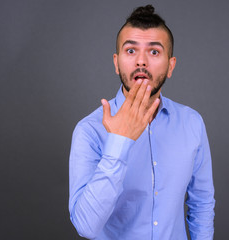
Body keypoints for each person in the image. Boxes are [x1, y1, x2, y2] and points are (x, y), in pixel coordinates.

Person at [69, 5, 215, 240]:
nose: (141, 61)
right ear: (116, 62)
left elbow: (202, 204)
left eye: (154, 52)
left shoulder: (192, 123)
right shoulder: (89, 131)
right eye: (130, 51)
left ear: (171, 65)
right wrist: (119, 142)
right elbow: (86, 226)